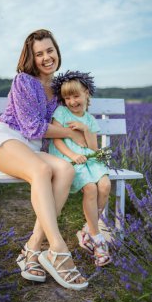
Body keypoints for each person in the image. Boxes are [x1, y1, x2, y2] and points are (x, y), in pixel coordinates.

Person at [0, 29, 88, 290]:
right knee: (41, 170)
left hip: (30, 149)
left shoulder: (59, 88)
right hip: (5, 140)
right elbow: (32, 127)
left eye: (50, 51)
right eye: (39, 53)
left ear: (57, 52)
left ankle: (31, 250)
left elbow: (70, 117)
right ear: (31, 57)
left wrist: (84, 134)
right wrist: (69, 132)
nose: (46, 57)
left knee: (64, 170)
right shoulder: (23, 81)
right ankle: (58, 249)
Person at [49, 71, 112, 267]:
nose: (72, 101)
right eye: (67, 97)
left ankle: (87, 229)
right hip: (68, 157)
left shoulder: (90, 119)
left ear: (86, 93)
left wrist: (85, 129)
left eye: (76, 96)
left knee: (105, 185)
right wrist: (72, 155)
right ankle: (96, 237)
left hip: (89, 157)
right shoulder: (61, 113)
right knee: (91, 189)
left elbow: (93, 148)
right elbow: (56, 139)